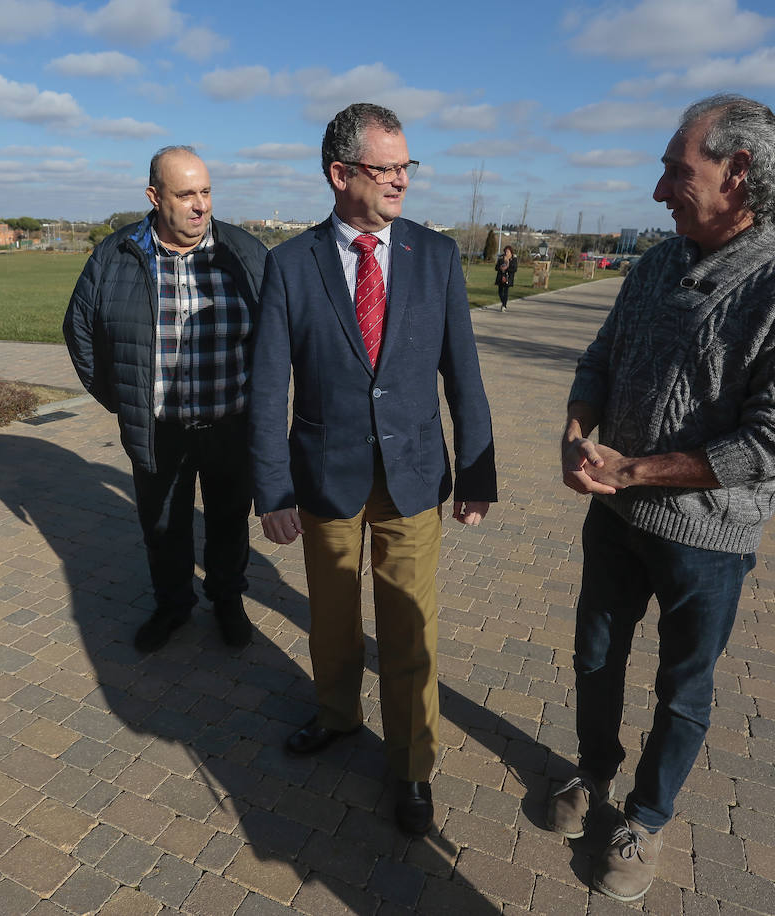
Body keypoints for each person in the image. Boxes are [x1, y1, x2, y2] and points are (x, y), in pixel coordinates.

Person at [554, 93, 775, 901]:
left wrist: (637, 471)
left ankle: (645, 819)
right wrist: (576, 433)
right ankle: (592, 772)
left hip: (707, 539)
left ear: (738, 170)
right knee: (595, 657)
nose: (658, 192)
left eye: (675, 172)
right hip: (614, 515)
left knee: (683, 687)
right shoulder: (658, 262)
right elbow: (600, 358)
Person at [250, 103, 496, 837]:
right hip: (325, 476)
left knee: (408, 626)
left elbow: (464, 373)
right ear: (339, 173)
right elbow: (267, 387)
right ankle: (336, 715)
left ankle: (412, 766)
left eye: (405, 166)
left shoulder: (436, 255)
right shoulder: (289, 264)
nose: (401, 181)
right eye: (385, 168)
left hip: (413, 475)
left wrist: (478, 472)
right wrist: (272, 488)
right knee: (332, 618)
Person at [65, 146, 267, 653]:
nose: (201, 206)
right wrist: (122, 397)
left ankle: (227, 600)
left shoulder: (245, 252)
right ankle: (173, 606)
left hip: (230, 422)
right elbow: (80, 331)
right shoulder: (115, 254)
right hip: (158, 427)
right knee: (163, 527)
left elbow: (279, 332)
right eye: (186, 194)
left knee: (228, 523)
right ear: (154, 197)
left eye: (206, 192)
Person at [495, 245, 519, 310]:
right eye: (505, 251)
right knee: (500, 292)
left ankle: (504, 306)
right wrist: (500, 268)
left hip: (508, 277)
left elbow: (515, 269)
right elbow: (496, 267)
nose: (506, 253)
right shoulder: (501, 258)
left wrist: (507, 268)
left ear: (511, 252)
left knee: (505, 291)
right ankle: (503, 303)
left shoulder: (514, 259)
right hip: (500, 277)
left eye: (508, 252)